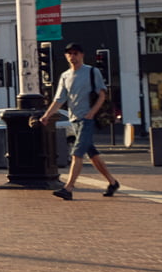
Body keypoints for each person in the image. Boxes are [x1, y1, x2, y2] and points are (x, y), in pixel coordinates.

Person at [39, 42, 120, 200]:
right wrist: (47, 115)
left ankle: (68, 188)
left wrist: (92, 112)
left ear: (82, 55)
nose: (72, 56)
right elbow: (59, 100)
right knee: (93, 154)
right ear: (66, 56)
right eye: (69, 54)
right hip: (74, 120)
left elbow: (102, 94)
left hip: (87, 120)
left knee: (77, 153)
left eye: (76, 53)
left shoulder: (91, 72)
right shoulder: (65, 76)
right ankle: (112, 182)